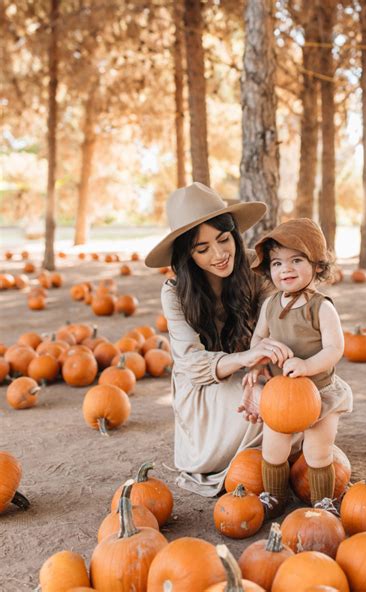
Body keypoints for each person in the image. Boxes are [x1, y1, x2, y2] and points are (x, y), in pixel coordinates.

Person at [144, 182, 295, 497]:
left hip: (259, 372)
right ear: (188, 254)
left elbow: (283, 326)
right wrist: (243, 360)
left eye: (224, 239)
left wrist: (258, 368)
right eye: (202, 249)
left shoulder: (259, 270)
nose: (219, 254)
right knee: (267, 409)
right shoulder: (174, 292)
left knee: (302, 400)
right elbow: (191, 364)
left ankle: (278, 459)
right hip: (204, 387)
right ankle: (255, 466)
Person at [239, 218, 353, 517]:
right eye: (276, 263)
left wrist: (306, 364)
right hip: (281, 395)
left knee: (318, 451)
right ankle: (274, 496)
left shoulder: (321, 307)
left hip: (319, 393)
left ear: (317, 265)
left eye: (296, 260)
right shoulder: (270, 305)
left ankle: (321, 499)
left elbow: (334, 348)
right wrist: (256, 363)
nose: (285, 269)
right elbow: (259, 339)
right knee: (272, 449)